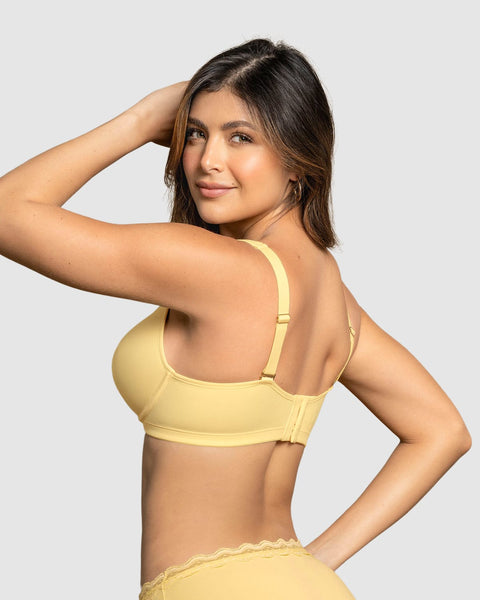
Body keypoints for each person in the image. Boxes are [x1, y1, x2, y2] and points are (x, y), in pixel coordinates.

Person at [0, 38, 471, 599]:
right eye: (195, 133)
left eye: (240, 137)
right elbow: (441, 432)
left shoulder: (215, 268)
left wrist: (139, 119)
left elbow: (8, 212)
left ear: (299, 158)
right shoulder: (335, 301)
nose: (207, 160)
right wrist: (312, 565)